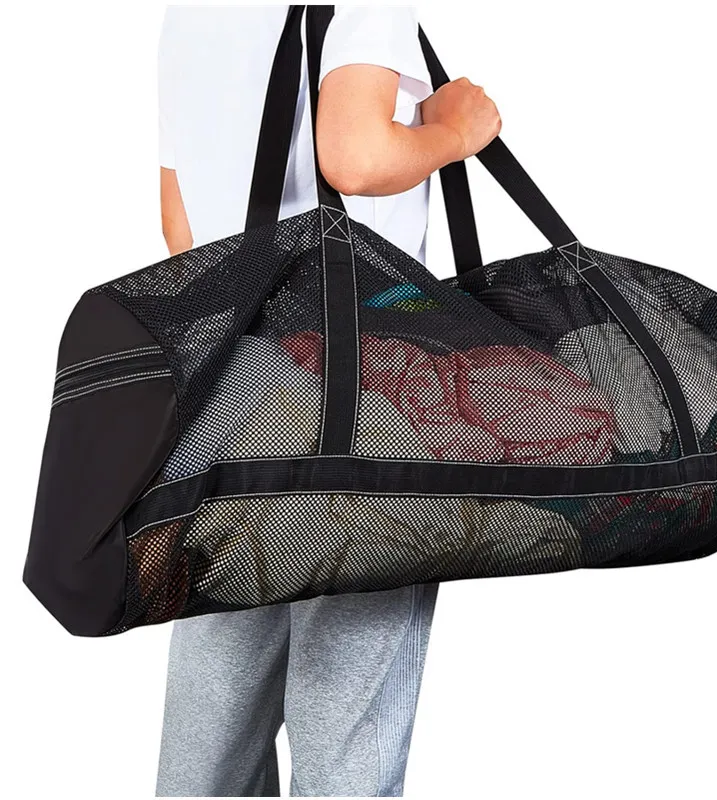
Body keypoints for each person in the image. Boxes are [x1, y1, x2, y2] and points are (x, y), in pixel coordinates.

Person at [155, 6, 501, 797]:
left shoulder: (190, 14)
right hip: (372, 381)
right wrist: (457, 131)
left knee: (215, 701)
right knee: (349, 725)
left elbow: (179, 225)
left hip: (235, 378)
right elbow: (355, 154)